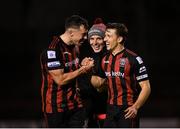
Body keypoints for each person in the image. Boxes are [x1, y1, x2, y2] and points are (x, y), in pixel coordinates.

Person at [90, 22, 151, 127]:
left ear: (119, 39)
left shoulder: (133, 59)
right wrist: (89, 70)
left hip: (127, 110)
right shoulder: (104, 59)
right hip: (110, 110)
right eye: (105, 36)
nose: (105, 39)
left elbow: (146, 87)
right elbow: (100, 86)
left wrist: (135, 107)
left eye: (108, 36)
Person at [40, 15, 94, 127]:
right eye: (83, 34)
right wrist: (82, 70)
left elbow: (70, 68)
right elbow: (60, 79)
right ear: (71, 32)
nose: (85, 38)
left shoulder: (76, 47)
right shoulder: (53, 50)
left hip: (75, 106)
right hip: (56, 108)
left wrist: (81, 64)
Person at [77, 18, 108, 128]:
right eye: (92, 38)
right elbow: (84, 88)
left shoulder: (112, 58)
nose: (94, 42)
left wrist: (88, 73)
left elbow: (101, 86)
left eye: (99, 38)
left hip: (109, 113)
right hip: (92, 114)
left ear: (105, 39)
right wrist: (82, 69)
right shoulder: (88, 59)